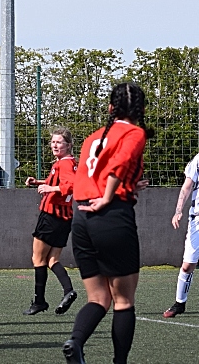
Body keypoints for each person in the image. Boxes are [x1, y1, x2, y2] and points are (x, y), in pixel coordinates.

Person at [62, 82, 154, 364]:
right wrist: (109, 196)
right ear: (140, 108)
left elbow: (90, 176)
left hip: (81, 219)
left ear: (111, 108)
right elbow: (118, 165)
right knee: (123, 301)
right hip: (111, 216)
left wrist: (125, 186)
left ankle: (75, 342)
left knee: (98, 298)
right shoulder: (134, 132)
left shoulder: (93, 137)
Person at [22, 128, 78, 317]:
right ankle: (68, 290)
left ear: (69, 145)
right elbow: (60, 182)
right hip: (65, 218)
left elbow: (71, 185)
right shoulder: (67, 163)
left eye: (59, 142)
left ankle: (39, 301)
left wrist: (49, 188)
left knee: (37, 259)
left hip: (51, 216)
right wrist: (39, 182)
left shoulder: (65, 164)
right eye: (53, 142)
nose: (54, 145)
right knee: (52, 260)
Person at [161, 152, 199, 318]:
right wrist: (178, 211)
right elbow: (187, 186)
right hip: (197, 220)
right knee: (187, 265)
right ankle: (179, 303)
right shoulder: (198, 160)